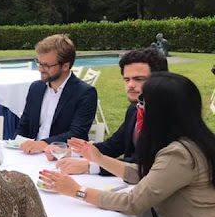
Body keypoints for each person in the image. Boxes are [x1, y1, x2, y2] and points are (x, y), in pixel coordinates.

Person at [40, 72, 215, 217]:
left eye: (143, 103)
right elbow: (149, 175)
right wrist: (99, 159)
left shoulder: (180, 154)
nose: (138, 108)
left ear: (161, 111)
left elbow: (133, 203)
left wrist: (77, 191)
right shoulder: (196, 141)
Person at [55, 47, 168, 175]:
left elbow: (148, 167)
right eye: (127, 79)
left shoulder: (170, 116)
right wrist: (73, 152)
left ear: (159, 80)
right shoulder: (135, 109)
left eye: (139, 79)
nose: (130, 85)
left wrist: (90, 166)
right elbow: (114, 146)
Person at [15, 34, 97, 154]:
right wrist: (18, 144)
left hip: (63, 156)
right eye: (39, 63)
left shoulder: (84, 93)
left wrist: (44, 144)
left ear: (65, 66)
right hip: (31, 154)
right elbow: (25, 123)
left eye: (46, 65)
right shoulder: (36, 88)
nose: (40, 69)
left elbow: (77, 133)